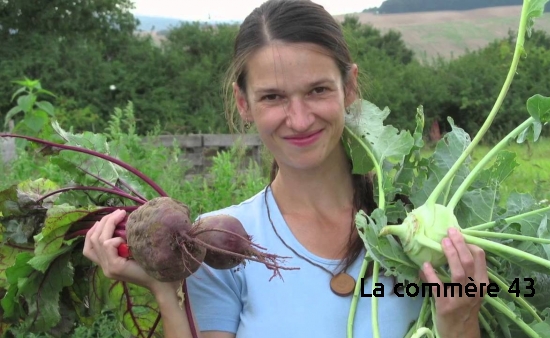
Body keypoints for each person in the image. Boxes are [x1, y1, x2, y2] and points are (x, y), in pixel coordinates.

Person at [83, 0, 489, 337]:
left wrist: (460, 320)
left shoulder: (417, 223)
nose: (298, 119)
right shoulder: (218, 243)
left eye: (317, 90)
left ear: (348, 87)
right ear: (244, 105)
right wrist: (163, 290)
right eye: (273, 97)